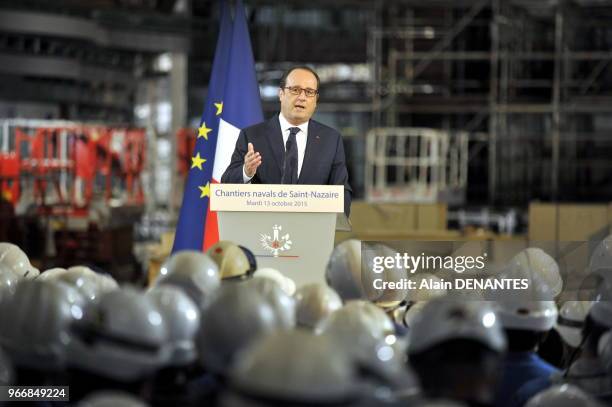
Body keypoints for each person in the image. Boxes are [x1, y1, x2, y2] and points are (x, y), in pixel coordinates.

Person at [221, 66, 352, 216]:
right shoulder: (252, 135)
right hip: (263, 230)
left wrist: (339, 218)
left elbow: (342, 190)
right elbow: (227, 183)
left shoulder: (331, 139)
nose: (302, 97)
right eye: (295, 90)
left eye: (309, 92)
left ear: (316, 100)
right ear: (281, 94)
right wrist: (246, 171)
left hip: (312, 230)